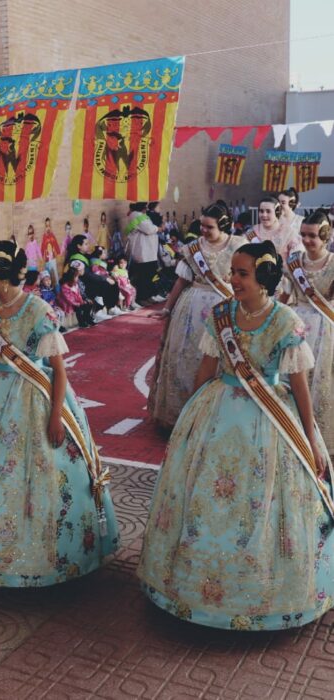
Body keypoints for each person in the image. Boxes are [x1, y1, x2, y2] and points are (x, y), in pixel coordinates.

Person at [138, 241, 334, 631]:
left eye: (242, 273)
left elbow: (299, 387)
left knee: (265, 502)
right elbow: (205, 370)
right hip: (217, 410)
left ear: (263, 278)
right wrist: (191, 417)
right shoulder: (222, 314)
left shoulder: (285, 321)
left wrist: (311, 437)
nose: (233, 279)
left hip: (270, 422)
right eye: (233, 272)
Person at [0, 240, 118, 586]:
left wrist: (56, 416)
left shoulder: (39, 311)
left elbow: (58, 371)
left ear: (1, 271)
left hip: (35, 399)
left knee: (36, 475)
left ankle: (40, 555)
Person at [148, 202, 244, 429]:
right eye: (202, 225)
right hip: (191, 309)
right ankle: (182, 416)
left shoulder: (238, 246)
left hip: (226, 310)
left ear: (222, 225)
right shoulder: (193, 249)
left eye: (209, 227)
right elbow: (182, 280)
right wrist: (167, 309)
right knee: (186, 359)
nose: (203, 230)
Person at [279, 210, 334, 457]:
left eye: (312, 236)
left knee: (322, 381)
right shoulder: (294, 261)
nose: (306, 240)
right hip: (297, 326)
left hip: (326, 328)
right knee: (292, 380)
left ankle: (321, 437)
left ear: (325, 235)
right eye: (303, 234)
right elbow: (284, 295)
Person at [65, 234, 121, 315]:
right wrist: (105, 278)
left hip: (91, 280)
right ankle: (98, 312)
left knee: (114, 281)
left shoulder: (86, 255)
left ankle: (111, 307)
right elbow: (87, 275)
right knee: (105, 283)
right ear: (79, 246)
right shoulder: (76, 259)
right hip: (83, 285)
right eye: (86, 244)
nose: (88, 246)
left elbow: (97, 258)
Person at [124, 202, 161, 304]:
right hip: (143, 252)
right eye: (145, 206)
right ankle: (142, 297)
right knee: (144, 277)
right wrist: (158, 228)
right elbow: (149, 229)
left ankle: (150, 295)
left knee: (150, 275)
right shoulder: (136, 215)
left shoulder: (141, 215)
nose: (146, 209)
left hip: (148, 252)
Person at [247, 195, 304, 260]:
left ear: (277, 212)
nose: (264, 215)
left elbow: (297, 253)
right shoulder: (252, 231)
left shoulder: (288, 232)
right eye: (261, 211)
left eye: (268, 211)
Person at [41, 217, 61, 287]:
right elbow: (42, 248)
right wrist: (42, 257)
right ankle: (50, 289)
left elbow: (56, 244)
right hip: (47, 261)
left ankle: (58, 291)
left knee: (55, 275)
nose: (48, 228)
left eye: (49, 226)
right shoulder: (44, 237)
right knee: (48, 276)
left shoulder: (52, 236)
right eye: (46, 226)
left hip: (52, 260)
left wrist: (58, 252)